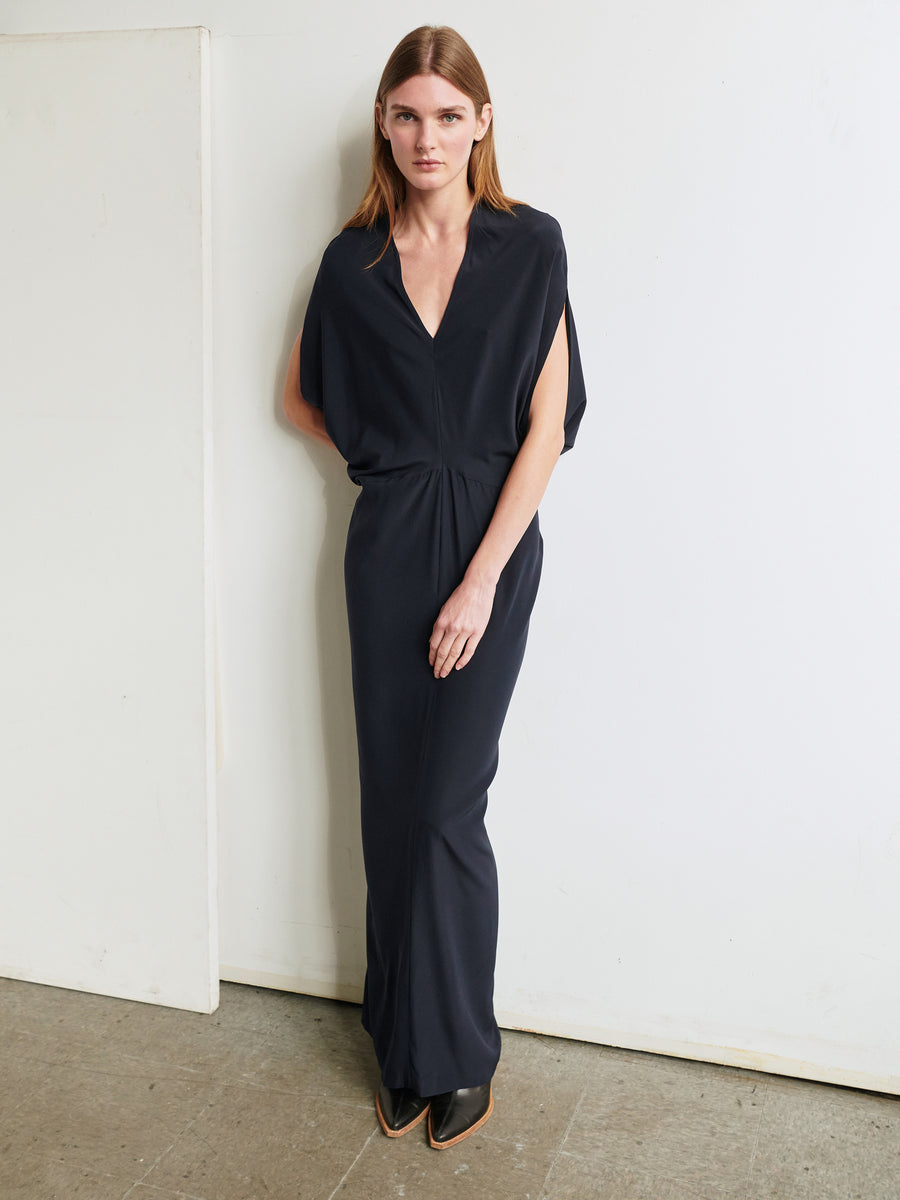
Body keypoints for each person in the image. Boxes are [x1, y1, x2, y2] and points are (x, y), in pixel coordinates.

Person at [282, 24, 586, 1150]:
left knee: (449, 804)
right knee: (390, 801)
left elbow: (548, 427)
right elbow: (301, 398)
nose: (427, 136)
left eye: (449, 115)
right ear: (383, 122)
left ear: (482, 124)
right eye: (407, 113)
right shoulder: (349, 264)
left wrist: (481, 581)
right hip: (390, 540)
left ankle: (459, 1053)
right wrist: (390, 463)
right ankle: (401, 1036)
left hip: (493, 543)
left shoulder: (530, 247)